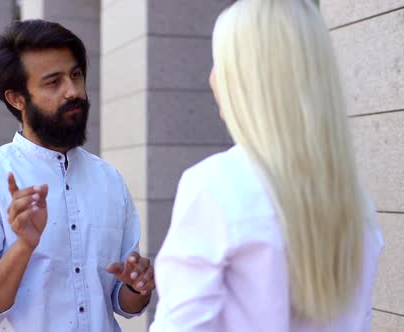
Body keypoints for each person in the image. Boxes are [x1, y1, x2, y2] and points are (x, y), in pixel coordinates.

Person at [150, 0, 383, 331]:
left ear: (247, 78)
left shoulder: (216, 187)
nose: (212, 77)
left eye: (220, 61)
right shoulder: (357, 204)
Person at [0, 20, 154, 332]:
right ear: (17, 99)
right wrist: (23, 247)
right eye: (53, 83)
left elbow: (122, 303)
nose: (73, 91)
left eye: (76, 75)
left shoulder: (109, 180)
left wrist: (136, 286)